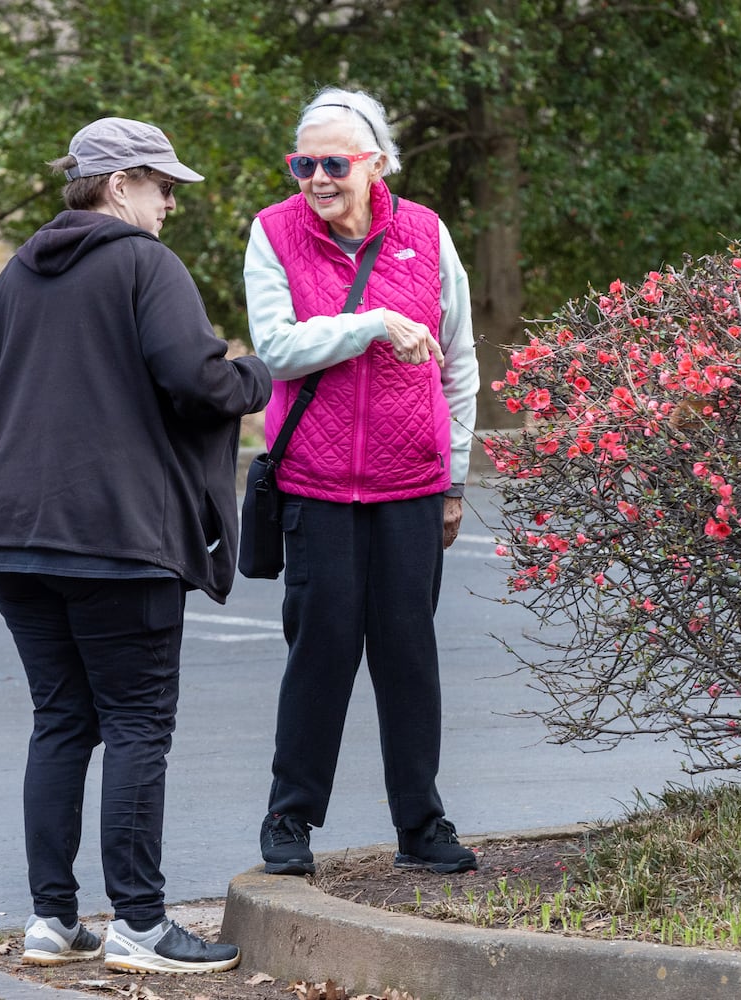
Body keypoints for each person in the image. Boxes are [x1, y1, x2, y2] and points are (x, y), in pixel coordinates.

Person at [0, 117, 271, 974]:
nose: (170, 205)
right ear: (118, 186)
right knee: (135, 723)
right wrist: (260, 375)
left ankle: (52, 922)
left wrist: (45, 406)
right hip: (116, 536)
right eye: (162, 186)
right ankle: (142, 926)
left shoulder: (21, 270)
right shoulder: (142, 264)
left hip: (7, 534)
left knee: (61, 721)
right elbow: (198, 381)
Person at [244, 88, 480, 877]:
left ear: (375, 164)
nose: (317, 177)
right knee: (321, 653)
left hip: (410, 487)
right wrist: (374, 322)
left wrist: (454, 481)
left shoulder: (424, 232)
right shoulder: (273, 233)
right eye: (303, 162)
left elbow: (460, 362)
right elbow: (276, 348)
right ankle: (289, 820)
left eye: (334, 163)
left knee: (410, 656)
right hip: (315, 487)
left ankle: (422, 822)